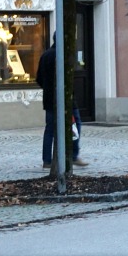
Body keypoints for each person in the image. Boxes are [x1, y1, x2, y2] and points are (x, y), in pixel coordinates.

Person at [36, 36, 88, 171]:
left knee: (50, 129)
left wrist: (48, 89)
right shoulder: (63, 55)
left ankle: (47, 160)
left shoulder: (45, 55)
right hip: (67, 98)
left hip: (49, 98)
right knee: (75, 124)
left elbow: (38, 78)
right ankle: (74, 155)